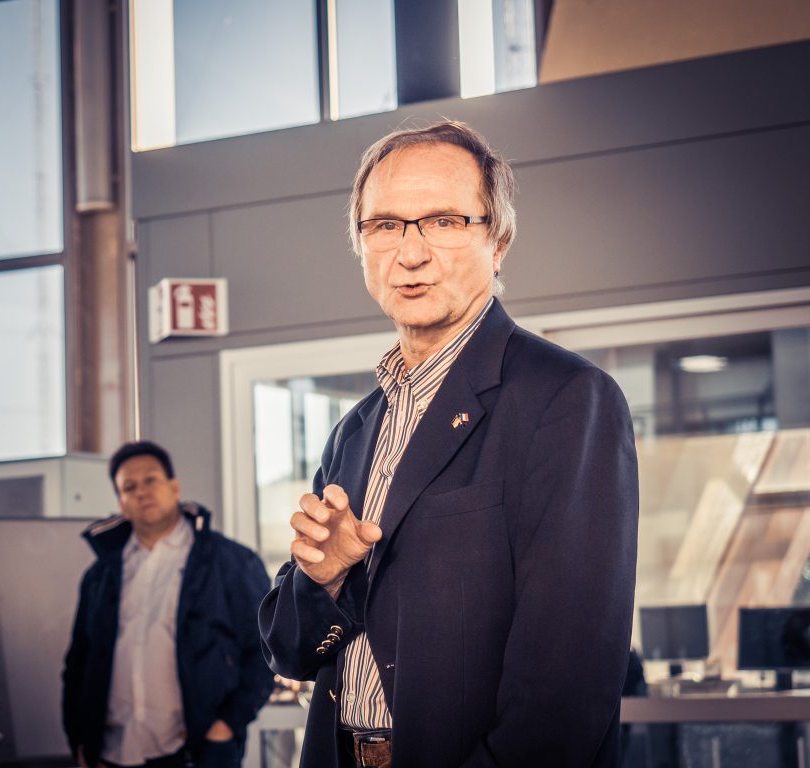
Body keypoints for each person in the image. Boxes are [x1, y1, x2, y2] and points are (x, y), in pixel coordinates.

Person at [258, 121, 639, 768]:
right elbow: (289, 652)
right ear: (361, 246)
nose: (410, 253)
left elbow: (566, 689)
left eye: (444, 221)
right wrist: (324, 580)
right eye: (384, 225)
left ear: (498, 241)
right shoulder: (355, 430)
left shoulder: (566, 398)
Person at [62, 440, 275, 768]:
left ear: (174, 488)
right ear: (121, 503)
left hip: (197, 752)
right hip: (112, 752)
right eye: (129, 487)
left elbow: (266, 651)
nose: (141, 492)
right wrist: (80, 741)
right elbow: (78, 663)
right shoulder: (100, 575)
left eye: (151, 480)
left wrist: (225, 726)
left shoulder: (231, 561)